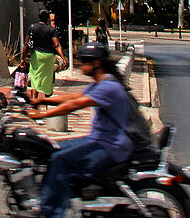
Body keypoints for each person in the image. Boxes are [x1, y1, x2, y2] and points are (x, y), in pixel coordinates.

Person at [28, 40, 132, 218]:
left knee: (60, 159)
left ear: (96, 63)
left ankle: (52, 213)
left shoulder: (108, 86)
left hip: (111, 146)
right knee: (53, 149)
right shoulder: (100, 83)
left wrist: (43, 116)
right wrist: (41, 100)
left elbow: (77, 104)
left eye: (84, 61)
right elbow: (72, 96)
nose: (80, 65)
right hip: (98, 140)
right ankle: (58, 196)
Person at [24, 8, 68, 100]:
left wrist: (23, 58)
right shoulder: (52, 30)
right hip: (48, 56)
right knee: (47, 78)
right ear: (47, 18)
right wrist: (63, 58)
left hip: (36, 55)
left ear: (39, 16)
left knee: (35, 77)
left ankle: (33, 101)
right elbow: (57, 45)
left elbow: (26, 44)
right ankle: (47, 99)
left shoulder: (32, 27)